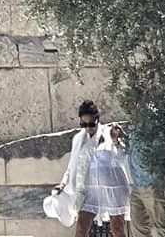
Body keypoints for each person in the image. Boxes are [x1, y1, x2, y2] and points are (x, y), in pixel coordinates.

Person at [58, 101, 129, 237]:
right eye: (83, 124)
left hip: (112, 186)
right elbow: (72, 165)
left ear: (97, 119)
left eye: (91, 124)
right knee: (81, 229)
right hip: (90, 190)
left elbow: (122, 156)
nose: (88, 127)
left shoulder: (109, 132)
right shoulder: (79, 139)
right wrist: (62, 184)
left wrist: (116, 140)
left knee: (117, 229)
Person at [118, 121, 165, 237]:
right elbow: (132, 149)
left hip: (156, 184)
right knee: (138, 228)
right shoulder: (135, 128)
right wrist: (121, 138)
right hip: (137, 185)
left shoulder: (160, 126)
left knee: (162, 229)